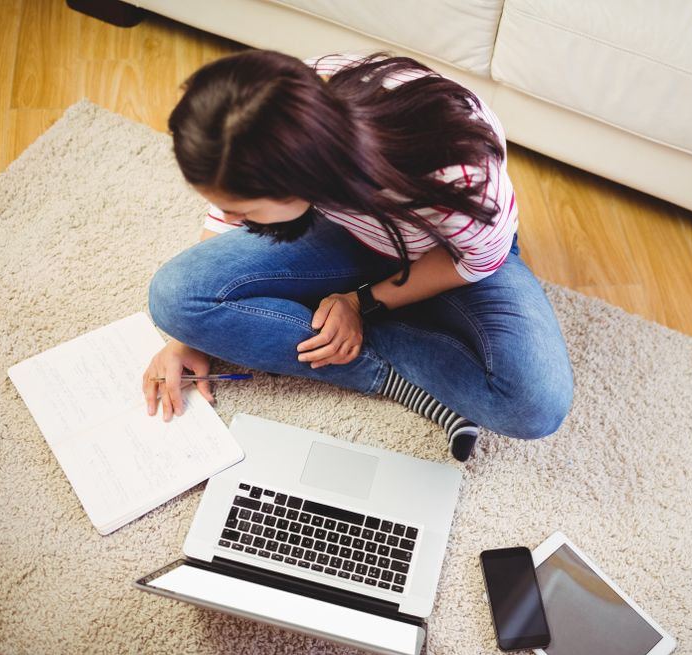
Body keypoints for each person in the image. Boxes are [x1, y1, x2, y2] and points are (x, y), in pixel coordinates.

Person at [144, 50, 573, 461]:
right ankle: (396, 376)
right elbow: (224, 209)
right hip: (347, 234)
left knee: (534, 405)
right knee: (176, 298)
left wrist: (360, 303)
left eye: (245, 209)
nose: (233, 217)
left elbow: (476, 261)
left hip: (446, 258)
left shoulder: (456, 170)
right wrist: (190, 336)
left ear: (300, 177)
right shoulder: (279, 108)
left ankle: (368, 327)